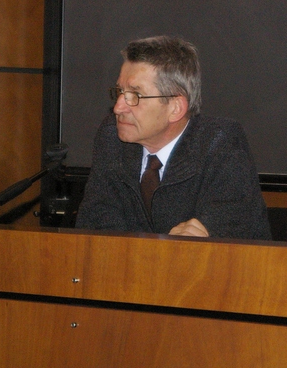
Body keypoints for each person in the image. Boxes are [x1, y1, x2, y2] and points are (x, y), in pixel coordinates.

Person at [75, 35, 271, 239]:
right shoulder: (111, 138)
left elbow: (227, 229)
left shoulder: (220, 143)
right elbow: (96, 225)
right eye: (120, 92)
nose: (118, 108)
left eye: (135, 95)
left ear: (176, 108)